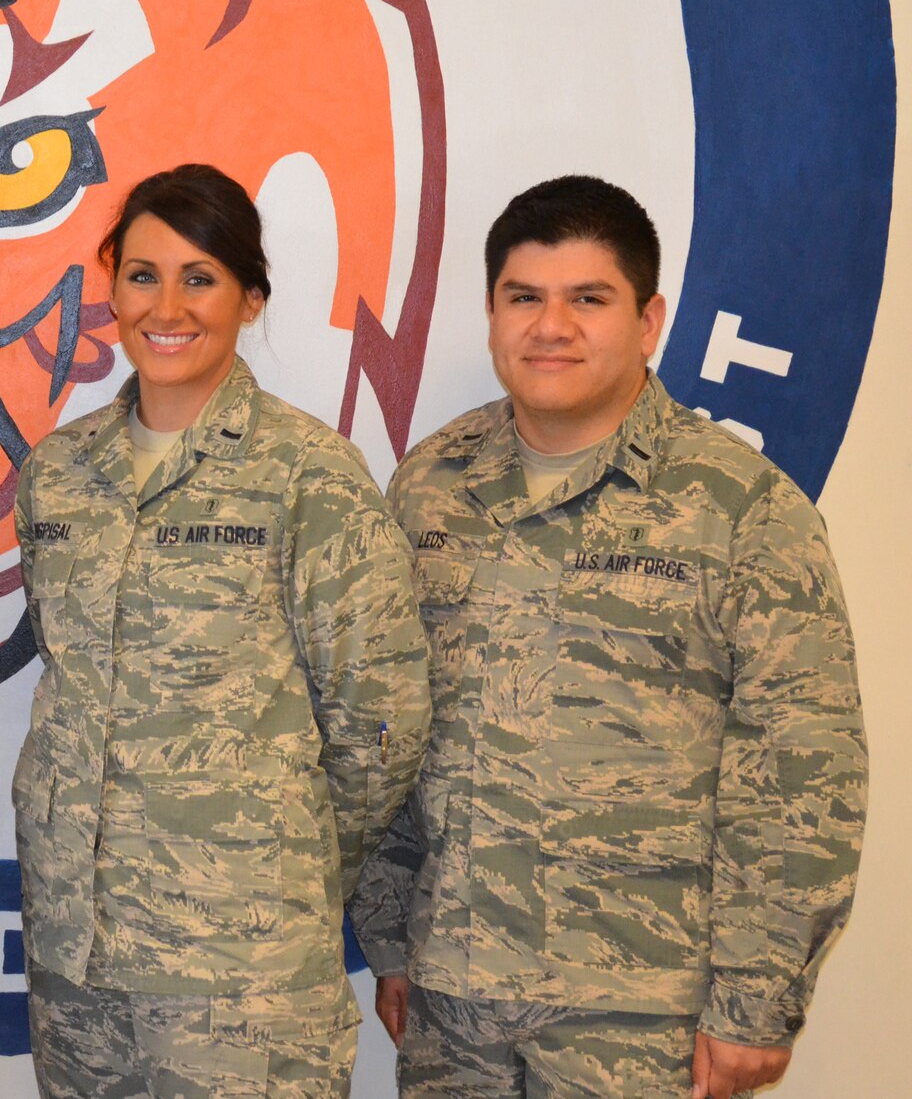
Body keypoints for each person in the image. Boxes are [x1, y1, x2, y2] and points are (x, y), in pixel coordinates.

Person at [353, 175, 868, 1098]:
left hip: (639, 1014)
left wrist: (756, 999)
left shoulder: (741, 508)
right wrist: (391, 935)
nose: (551, 326)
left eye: (588, 298)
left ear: (649, 318)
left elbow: (803, 767)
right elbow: (392, 726)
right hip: (452, 997)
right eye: (525, 297)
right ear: (491, 313)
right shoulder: (431, 485)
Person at [11, 164, 432, 1097]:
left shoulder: (307, 475)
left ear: (250, 297)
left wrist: (277, 853)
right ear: (110, 281)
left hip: (245, 978)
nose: (168, 305)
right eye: (142, 273)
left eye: (200, 277)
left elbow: (382, 719)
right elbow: (71, 679)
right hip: (77, 969)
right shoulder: (59, 474)